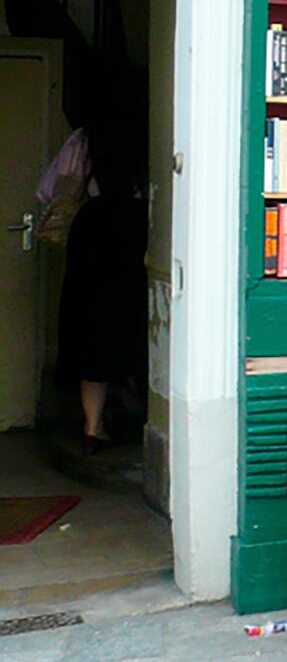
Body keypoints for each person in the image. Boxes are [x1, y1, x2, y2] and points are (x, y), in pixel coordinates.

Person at [55, 115, 147, 450]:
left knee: (90, 324)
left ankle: (93, 426)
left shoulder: (84, 139)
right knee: (137, 319)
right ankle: (145, 415)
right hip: (138, 228)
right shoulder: (152, 133)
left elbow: (53, 189)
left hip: (93, 229)